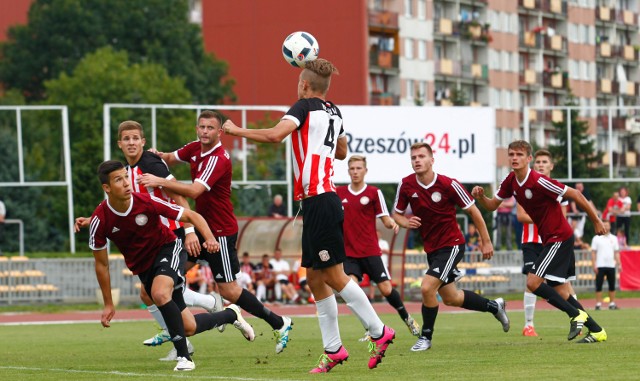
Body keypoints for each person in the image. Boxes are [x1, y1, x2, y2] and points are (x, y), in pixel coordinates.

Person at [223, 58, 396, 373]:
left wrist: (236, 129)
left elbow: (276, 135)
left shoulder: (302, 108)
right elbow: (342, 152)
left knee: (334, 276)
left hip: (320, 200)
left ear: (303, 85)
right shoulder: (334, 111)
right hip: (322, 200)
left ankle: (378, 330)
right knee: (315, 278)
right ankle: (333, 349)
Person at [137, 110, 293, 354]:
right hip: (200, 227)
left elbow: (195, 192)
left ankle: (280, 323)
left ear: (220, 132)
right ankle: (183, 324)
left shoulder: (218, 158)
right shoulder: (195, 147)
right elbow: (171, 157)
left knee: (229, 290)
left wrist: (161, 182)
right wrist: (157, 156)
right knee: (164, 280)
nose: (205, 131)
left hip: (219, 231)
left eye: (210, 128)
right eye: (201, 127)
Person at [74, 120, 224, 362]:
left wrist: (189, 231)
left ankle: (181, 342)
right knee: (154, 295)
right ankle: (196, 317)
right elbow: (122, 207)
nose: (131, 143)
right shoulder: (125, 171)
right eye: (127, 139)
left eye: (136, 138)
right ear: (119, 144)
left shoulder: (151, 163)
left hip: (170, 235)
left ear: (143, 142)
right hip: (152, 240)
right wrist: (92, 219)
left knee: (157, 293)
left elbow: (177, 194)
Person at [87, 160, 254, 371]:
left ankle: (185, 358)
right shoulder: (100, 220)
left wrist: (209, 237)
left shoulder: (145, 201)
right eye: (118, 180)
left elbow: (191, 214)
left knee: (158, 293)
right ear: (107, 188)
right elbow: (101, 265)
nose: (126, 183)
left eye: (126, 177)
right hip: (144, 268)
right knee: (189, 327)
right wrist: (109, 304)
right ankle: (231, 314)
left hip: (169, 248)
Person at [472, 140, 608, 343]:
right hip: (551, 240)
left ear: (529, 159)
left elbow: (576, 194)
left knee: (533, 282)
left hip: (559, 238)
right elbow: (492, 205)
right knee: (561, 291)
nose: (514, 158)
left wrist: (596, 220)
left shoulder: (538, 180)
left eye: (519, 154)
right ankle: (597, 331)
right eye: (511, 154)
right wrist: (481, 197)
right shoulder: (510, 180)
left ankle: (575, 314)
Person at [391, 142, 510, 353]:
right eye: (413, 157)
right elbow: (397, 214)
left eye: (421, 156)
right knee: (451, 298)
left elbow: (474, 212)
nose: (417, 160)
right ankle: (495, 306)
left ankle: (425, 337)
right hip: (432, 249)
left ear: (431, 160)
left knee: (427, 287)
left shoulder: (448, 184)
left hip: (452, 245)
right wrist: (404, 222)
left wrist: (486, 241)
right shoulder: (406, 185)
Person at [336, 154, 420, 337]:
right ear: (348, 171)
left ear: (365, 170)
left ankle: (407, 318)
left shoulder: (374, 193)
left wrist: (392, 224)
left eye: (359, 168)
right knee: (352, 291)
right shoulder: (339, 193)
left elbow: (385, 218)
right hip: (349, 253)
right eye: (352, 168)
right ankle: (371, 328)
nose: (355, 172)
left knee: (386, 290)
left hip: (370, 251)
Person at [516, 149, 577, 337]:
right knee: (531, 281)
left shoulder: (559, 190)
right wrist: (544, 217)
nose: (541, 165)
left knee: (564, 285)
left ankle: (580, 318)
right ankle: (528, 325)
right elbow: (521, 216)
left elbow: (562, 220)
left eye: (544, 162)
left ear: (551, 166)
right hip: (532, 242)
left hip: (554, 242)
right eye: (538, 162)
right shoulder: (524, 186)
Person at [590, 221, 620, 311]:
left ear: (610, 227)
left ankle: (612, 303)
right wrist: (594, 264)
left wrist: (619, 263)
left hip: (611, 265)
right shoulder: (596, 238)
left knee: (612, 285)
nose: (606, 227)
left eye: (607, 225)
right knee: (599, 285)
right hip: (600, 264)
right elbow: (593, 252)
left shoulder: (614, 238)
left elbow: (616, 252)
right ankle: (598, 303)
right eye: (604, 225)